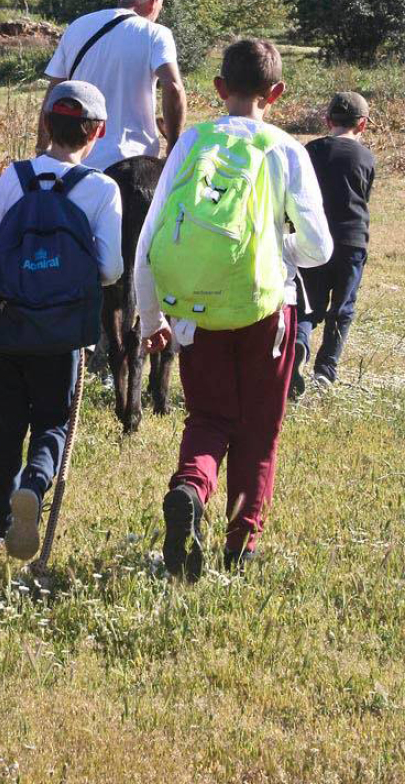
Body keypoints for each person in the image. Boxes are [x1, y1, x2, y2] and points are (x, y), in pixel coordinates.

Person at [134, 38, 332, 577]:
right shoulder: (285, 149)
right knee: (259, 429)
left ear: (219, 88)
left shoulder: (191, 143)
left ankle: (190, 488)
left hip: (197, 312)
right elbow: (319, 248)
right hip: (268, 310)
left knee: (208, 417)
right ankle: (241, 545)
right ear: (277, 92)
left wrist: (152, 319)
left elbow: (150, 241)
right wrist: (276, 247)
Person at [0, 81, 123, 559]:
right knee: (53, 422)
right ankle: (34, 484)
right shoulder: (102, 189)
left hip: (6, 327)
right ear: (97, 132)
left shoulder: (14, 177)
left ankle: (1, 529)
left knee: (5, 428)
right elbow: (110, 270)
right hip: (63, 335)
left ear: (46, 123)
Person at [40, 0, 186, 170]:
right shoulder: (156, 34)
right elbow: (174, 88)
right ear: (154, 1)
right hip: (132, 162)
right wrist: (173, 145)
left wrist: (42, 147)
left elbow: (55, 92)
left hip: (77, 158)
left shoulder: (78, 26)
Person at [291, 91, 375, 395]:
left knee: (307, 305)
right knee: (343, 308)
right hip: (352, 242)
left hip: (314, 240)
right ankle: (325, 371)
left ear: (327, 120)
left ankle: (300, 343)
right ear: (362, 124)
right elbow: (364, 196)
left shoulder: (310, 151)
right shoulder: (366, 157)